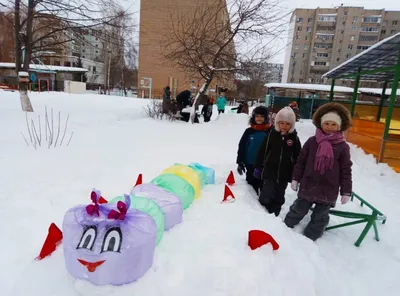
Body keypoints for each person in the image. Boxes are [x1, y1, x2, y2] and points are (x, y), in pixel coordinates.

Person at [284, 102, 352, 241]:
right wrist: (296, 178)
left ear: (339, 126)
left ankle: (310, 238)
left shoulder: (343, 147)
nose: (330, 127)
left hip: (329, 187)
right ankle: (285, 228)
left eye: (334, 124)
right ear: (321, 123)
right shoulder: (312, 141)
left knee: (320, 216)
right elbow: (301, 161)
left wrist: (346, 191)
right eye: (327, 123)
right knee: (299, 208)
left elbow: (346, 170)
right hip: (309, 183)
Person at [254, 107, 301, 216]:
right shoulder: (271, 135)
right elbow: (262, 151)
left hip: (284, 174)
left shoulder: (294, 139)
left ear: (292, 125)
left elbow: (298, 156)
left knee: (279, 195)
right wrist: (258, 167)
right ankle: (263, 213)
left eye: (287, 124)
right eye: (282, 123)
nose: (284, 126)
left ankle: (275, 213)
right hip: (269, 171)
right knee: (267, 193)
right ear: (277, 123)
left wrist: (296, 174)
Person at [236, 106, 270, 194]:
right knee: (251, 186)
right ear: (254, 117)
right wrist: (240, 162)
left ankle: (262, 203)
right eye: (257, 116)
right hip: (250, 163)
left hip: (265, 164)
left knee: (263, 185)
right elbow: (242, 146)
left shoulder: (269, 132)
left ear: (266, 118)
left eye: (262, 116)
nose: (259, 118)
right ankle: (252, 203)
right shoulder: (249, 131)